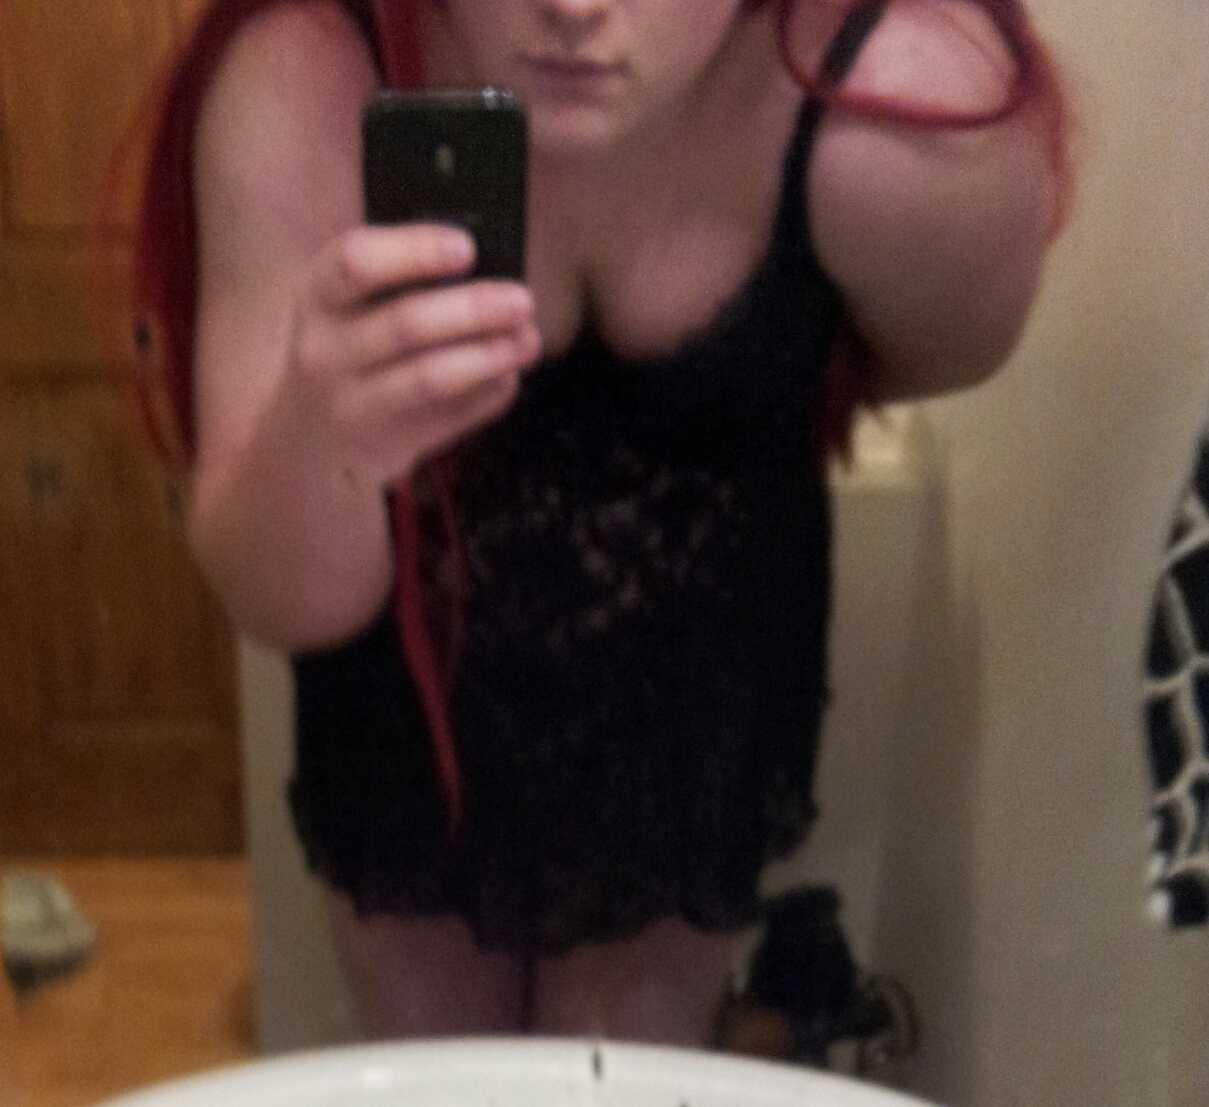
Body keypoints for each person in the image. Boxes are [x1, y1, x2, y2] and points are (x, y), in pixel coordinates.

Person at [127, 0, 1066, 1044]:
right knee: (444, 1079)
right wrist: (317, 431)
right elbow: (286, 601)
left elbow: (928, 352)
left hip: (696, 711)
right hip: (409, 718)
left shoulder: (910, 118)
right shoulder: (306, 78)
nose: (573, 6)